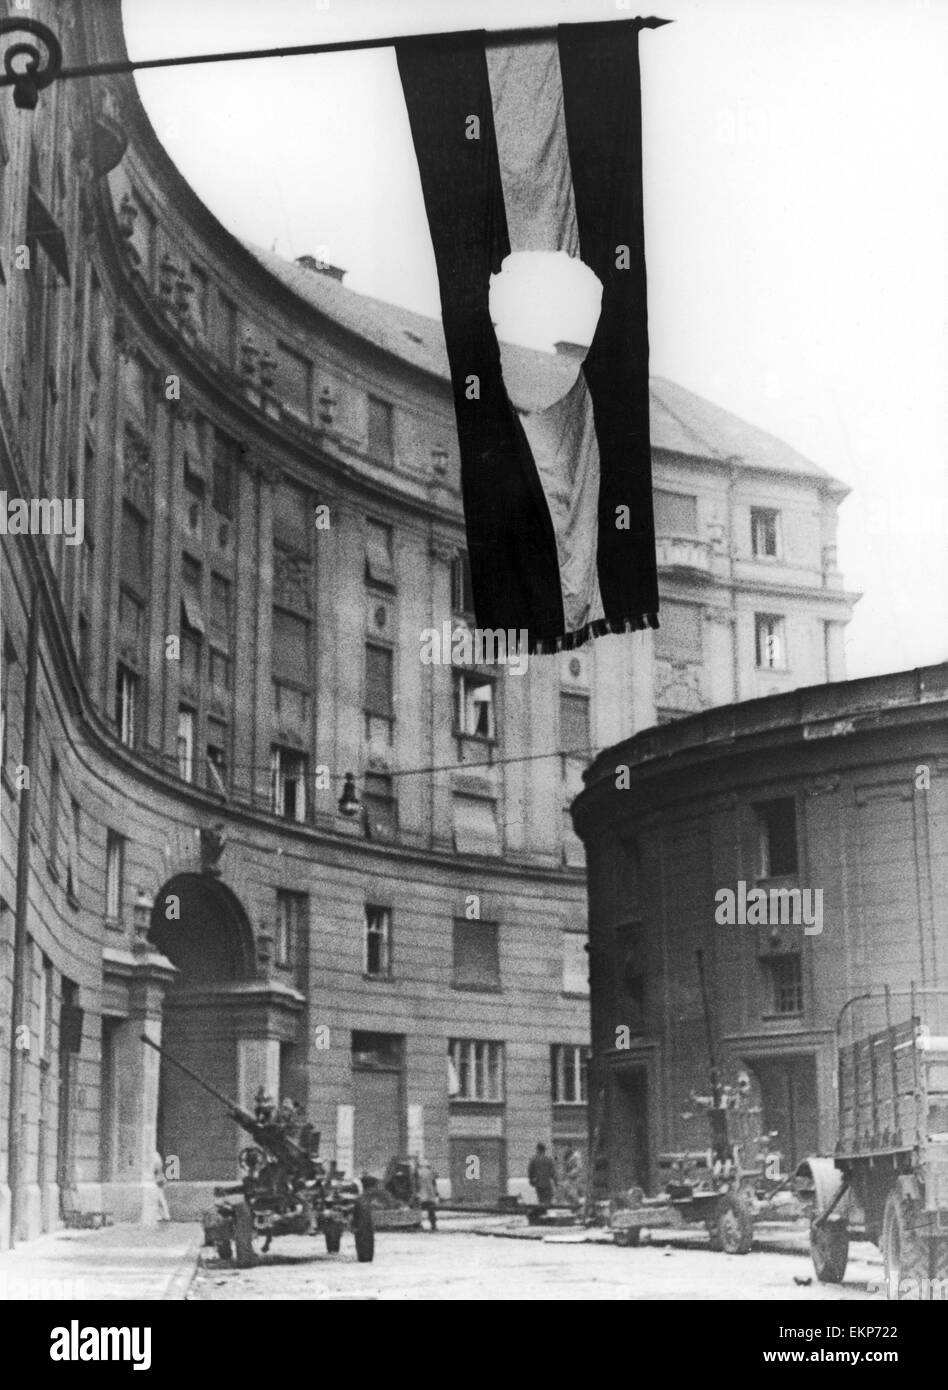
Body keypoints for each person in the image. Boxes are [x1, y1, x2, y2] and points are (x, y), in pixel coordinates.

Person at [527, 1142, 556, 1208]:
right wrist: (556, 1182)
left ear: (537, 1149)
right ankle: (546, 1212)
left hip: (538, 1184)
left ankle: (542, 1211)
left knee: (541, 1199)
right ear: (544, 1150)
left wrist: (531, 1181)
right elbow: (553, 1173)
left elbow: (530, 1171)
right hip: (547, 1184)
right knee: (548, 1200)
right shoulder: (548, 1160)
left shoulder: (533, 1159)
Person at [414, 1157, 439, 1231]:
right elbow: (434, 1183)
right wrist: (436, 1193)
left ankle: (417, 1224)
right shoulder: (430, 1172)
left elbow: (415, 1184)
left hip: (421, 1195)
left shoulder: (417, 1172)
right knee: (431, 1211)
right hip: (430, 1195)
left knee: (417, 1210)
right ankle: (433, 1225)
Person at [153, 1150, 171, 1222]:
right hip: (157, 1178)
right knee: (159, 1197)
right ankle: (163, 1214)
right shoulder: (155, 1155)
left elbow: (157, 1167)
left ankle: (163, 1215)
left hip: (157, 1178)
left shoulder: (154, 1155)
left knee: (158, 1197)